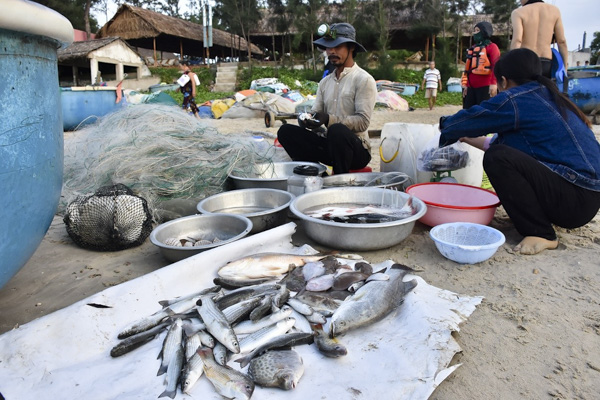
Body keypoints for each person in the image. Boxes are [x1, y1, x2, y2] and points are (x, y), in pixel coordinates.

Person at [438, 48, 600, 255]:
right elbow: (507, 146)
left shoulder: (515, 99)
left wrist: (446, 126)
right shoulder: (549, 97)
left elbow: (469, 119)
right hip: (585, 199)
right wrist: (466, 137)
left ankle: (541, 232)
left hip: (572, 199)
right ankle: (538, 220)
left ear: (504, 81)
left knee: (497, 158)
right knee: (501, 152)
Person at [276, 23, 376, 174]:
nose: (332, 51)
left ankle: (338, 181)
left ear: (351, 48)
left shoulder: (363, 80)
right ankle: (315, 174)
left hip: (356, 151)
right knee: (286, 131)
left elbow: (362, 122)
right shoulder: (325, 82)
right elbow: (317, 113)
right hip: (330, 146)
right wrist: (308, 120)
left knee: (337, 131)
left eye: (337, 46)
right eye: (328, 47)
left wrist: (329, 119)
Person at [510, 0, 568, 77]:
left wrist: (511, 65)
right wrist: (565, 68)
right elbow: (561, 41)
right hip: (546, 62)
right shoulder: (554, 11)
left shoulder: (518, 12)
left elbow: (517, 40)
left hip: (526, 61)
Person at [462, 21, 501, 109]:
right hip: (471, 87)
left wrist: (494, 83)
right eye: (474, 30)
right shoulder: (473, 48)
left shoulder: (492, 47)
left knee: (485, 113)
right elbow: (469, 69)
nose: (474, 33)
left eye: (477, 30)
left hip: (486, 86)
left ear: (484, 31)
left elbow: (496, 65)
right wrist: (466, 85)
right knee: (468, 113)